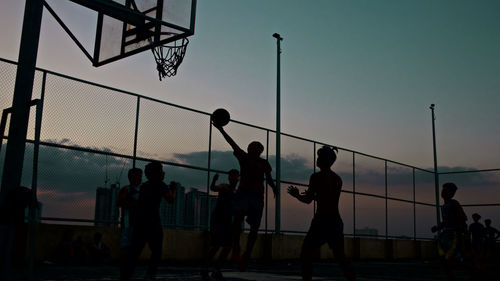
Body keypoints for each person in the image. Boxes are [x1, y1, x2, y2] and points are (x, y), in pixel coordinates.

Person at [213, 123, 277, 272]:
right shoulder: (244, 157)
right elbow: (232, 142)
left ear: (259, 151)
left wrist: (273, 186)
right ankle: (236, 247)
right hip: (244, 194)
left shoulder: (263, 163)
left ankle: (246, 255)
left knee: (254, 227)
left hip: (256, 196)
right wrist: (221, 129)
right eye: (250, 147)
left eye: (253, 147)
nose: (250, 149)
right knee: (237, 221)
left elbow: (268, 177)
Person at [288, 146, 355, 281]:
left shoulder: (316, 177)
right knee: (340, 256)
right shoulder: (337, 179)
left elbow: (308, 200)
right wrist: (316, 196)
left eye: (319, 157)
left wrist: (296, 195)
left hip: (322, 219)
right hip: (335, 220)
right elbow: (328, 197)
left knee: (306, 253)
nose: (317, 159)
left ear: (324, 160)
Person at [120, 161, 177, 281]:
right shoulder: (160, 185)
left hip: (140, 223)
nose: (163, 173)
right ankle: (150, 275)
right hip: (153, 223)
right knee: (156, 251)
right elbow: (170, 200)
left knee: (135, 252)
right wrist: (173, 190)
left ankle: (126, 275)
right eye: (161, 171)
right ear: (156, 174)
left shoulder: (144, 186)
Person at [201, 170, 239, 281]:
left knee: (227, 246)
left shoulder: (236, 192)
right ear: (229, 178)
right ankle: (205, 268)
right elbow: (213, 188)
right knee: (216, 245)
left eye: (235, 177)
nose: (233, 179)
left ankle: (216, 269)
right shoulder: (224, 187)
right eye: (232, 177)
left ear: (237, 178)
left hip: (227, 221)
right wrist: (214, 180)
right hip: (218, 219)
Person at [431, 182, 468, 281]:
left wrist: (463, 232)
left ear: (451, 193)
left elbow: (463, 217)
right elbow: (445, 221)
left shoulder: (454, 203)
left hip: (454, 234)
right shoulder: (444, 206)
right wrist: (438, 228)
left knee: (449, 257)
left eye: (445, 190)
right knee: (442, 256)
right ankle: (451, 274)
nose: (442, 191)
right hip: (446, 234)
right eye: (442, 189)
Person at [0, 186, 32, 281]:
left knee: (10, 244)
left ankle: (8, 265)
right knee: (11, 245)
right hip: (12, 223)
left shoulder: (12, 200)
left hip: (11, 223)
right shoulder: (16, 203)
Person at [117, 168, 142, 250]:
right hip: (128, 220)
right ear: (131, 177)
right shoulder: (126, 189)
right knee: (127, 242)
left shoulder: (142, 190)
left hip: (138, 220)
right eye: (137, 175)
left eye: (140, 176)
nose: (139, 178)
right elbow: (119, 203)